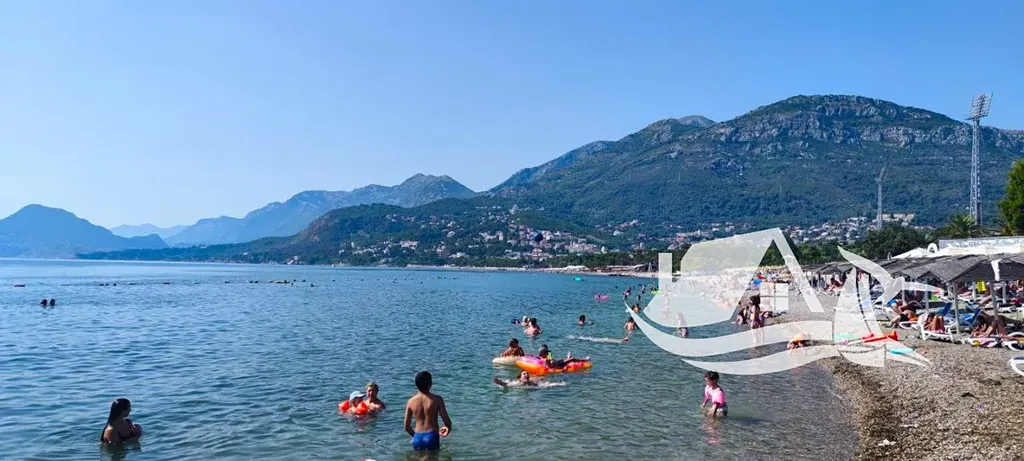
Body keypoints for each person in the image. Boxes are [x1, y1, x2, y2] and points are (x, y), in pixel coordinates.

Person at [404, 371, 452, 451]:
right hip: (431, 436)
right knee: (433, 457)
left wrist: (416, 437)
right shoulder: (437, 399)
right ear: (430, 384)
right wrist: (447, 428)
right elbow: (447, 422)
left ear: (416, 385)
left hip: (417, 437)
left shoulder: (410, 401)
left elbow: (407, 427)